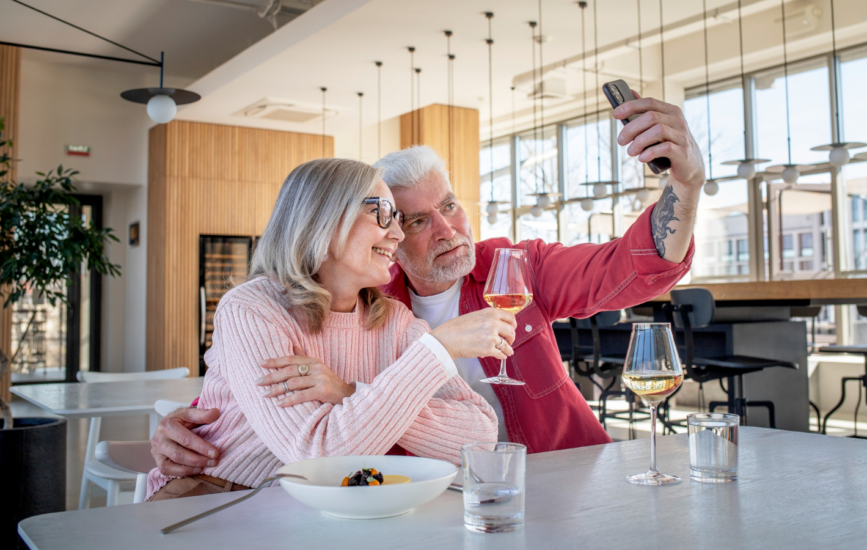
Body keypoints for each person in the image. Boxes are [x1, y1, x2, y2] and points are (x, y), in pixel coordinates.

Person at [150, 93, 703, 476]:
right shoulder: (367, 302)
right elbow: (271, 392)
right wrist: (178, 430)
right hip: (426, 494)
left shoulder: (512, 267)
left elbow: (630, 266)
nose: (446, 230)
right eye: (413, 219)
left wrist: (686, 184)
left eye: (450, 205)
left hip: (558, 468)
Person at [145, 158, 510, 500]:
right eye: (381, 214)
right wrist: (437, 351)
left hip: (321, 506)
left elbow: (480, 435)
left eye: (396, 217)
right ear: (322, 221)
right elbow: (314, 454)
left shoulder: (394, 321)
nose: (397, 233)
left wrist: (347, 391)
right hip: (213, 500)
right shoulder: (251, 309)